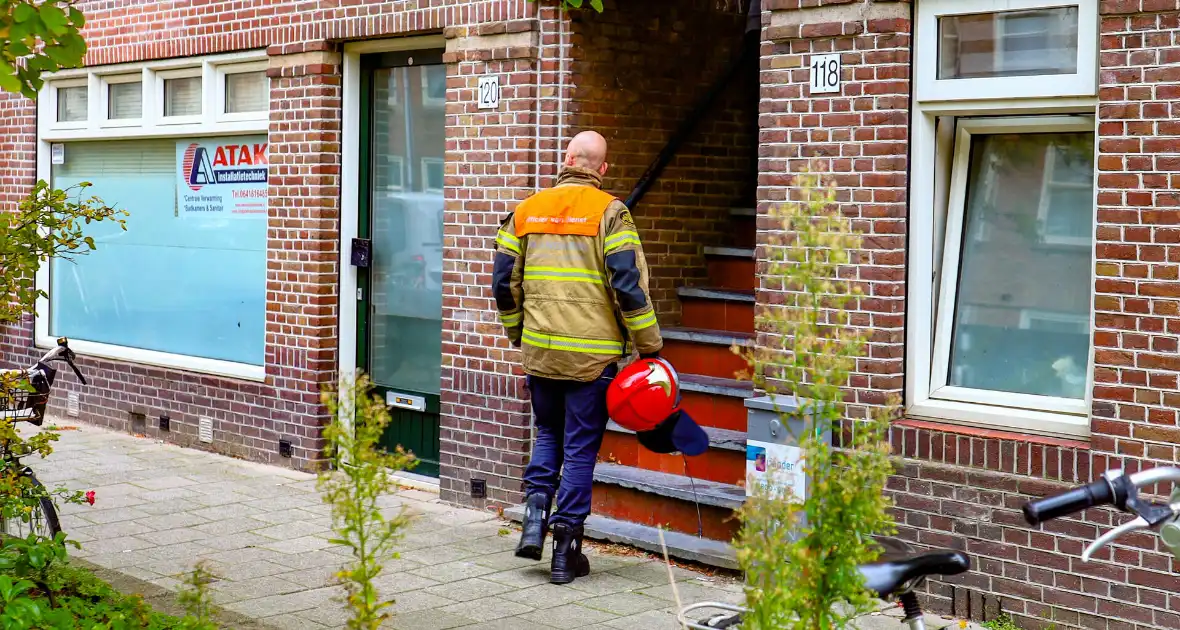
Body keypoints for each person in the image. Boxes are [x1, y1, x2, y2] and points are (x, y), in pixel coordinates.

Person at [491, 130, 663, 585]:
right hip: (593, 360)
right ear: (602, 169)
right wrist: (650, 347)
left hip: (541, 353)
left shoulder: (526, 211)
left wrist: (518, 336)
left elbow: (502, 282)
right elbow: (627, 284)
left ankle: (532, 519)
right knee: (581, 448)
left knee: (547, 433)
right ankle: (565, 554)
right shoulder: (611, 213)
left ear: (565, 160)